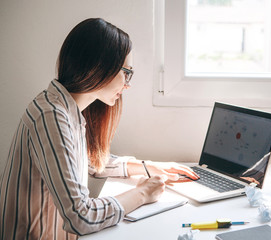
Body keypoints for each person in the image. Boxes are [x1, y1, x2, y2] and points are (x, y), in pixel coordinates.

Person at [0, 18, 198, 239]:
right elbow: (80, 216)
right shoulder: (51, 116)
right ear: (98, 66)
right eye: (126, 72)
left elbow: (92, 163)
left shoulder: (64, 108)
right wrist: (142, 193)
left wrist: (148, 167)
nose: (128, 83)